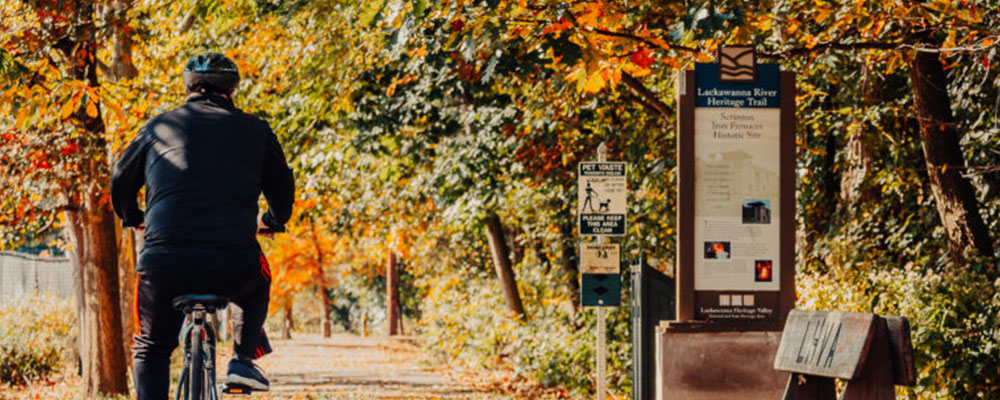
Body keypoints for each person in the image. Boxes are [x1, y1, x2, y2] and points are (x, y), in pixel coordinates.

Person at [111, 52, 294, 399]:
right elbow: (283, 192)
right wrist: (271, 221)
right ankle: (241, 361)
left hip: (164, 264)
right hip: (232, 263)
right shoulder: (256, 130)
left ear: (188, 88)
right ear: (233, 90)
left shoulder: (157, 128)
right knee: (258, 280)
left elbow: (120, 179)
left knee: (151, 346)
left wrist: (133, 217)